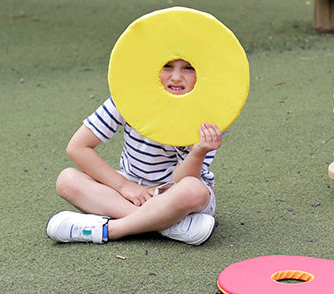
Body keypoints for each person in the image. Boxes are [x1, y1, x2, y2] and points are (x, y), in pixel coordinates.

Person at [47, 58, 221, 246]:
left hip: (177, 197)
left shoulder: (205, 116)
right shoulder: (127, 100)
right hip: (130, 192)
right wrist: (124, 186)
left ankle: (109, 230)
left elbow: (180, 181)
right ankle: (167, 226)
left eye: (188, 68)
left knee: (193, 190)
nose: (176, 77)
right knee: (67, 180)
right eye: (167, 66)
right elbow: (77, 148)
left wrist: (198, 152)